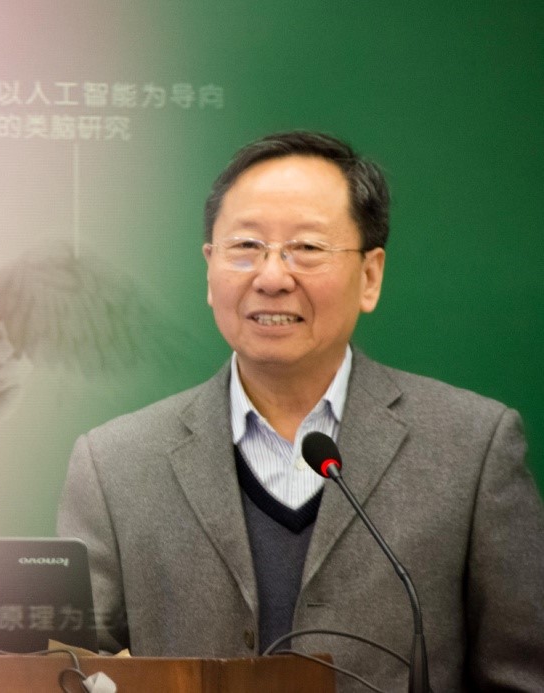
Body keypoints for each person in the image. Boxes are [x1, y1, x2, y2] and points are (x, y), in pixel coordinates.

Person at [57, 131, 544, 691]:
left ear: (370, 276)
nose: (271, 278)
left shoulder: (473, 448)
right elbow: (72, 673)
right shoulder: (115, 464)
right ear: (210, 271)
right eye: (246, 247)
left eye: (307, 248)